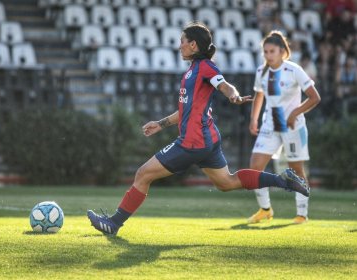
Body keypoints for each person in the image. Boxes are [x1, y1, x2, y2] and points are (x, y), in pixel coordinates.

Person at [87, 22, 309, 236]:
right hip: (208, 141)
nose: (179, 45)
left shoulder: (205, 67)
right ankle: (283, 181)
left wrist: (233, 95)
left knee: (143, 174)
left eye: (182, 41)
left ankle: (114, 223)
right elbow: (186, 110)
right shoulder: (193, 70)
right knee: (226, 182)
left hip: (193, 142)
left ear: (193, 45)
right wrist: (161, 123)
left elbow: (224, 85)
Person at [247, 30, 321, 225]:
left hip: (293, 127)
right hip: (269, 125)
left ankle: (302, 214)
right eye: (265, 52)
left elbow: (315, 97)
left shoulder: (294, 69)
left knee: (296, 170)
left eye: (272, 51)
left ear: (282, 52)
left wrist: (295, 112)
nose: (268, 55)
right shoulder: (261, 71)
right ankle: (265, 209)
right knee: (255, 167)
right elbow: (259, 95)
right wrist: (254, 119)